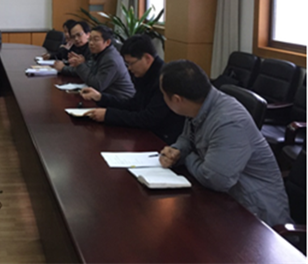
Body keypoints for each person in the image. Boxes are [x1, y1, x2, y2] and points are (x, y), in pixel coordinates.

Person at [158, 60, 291, 227]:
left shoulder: (228, 122)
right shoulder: (199, 104)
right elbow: (187, 138)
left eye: (163, 94)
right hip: (225, 202)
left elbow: (215, 179)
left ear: (177, 99)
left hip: (256, 217)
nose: (162, 98)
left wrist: (186, 156)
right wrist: (176, 150)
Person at [81, 34, 184, 144]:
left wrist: (108, 115)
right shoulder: (145, 74)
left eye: (131, 63)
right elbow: (133, 105)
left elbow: (148, 119)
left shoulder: (164, 79)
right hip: (146, 134)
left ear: (147, 58)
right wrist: (101, 97)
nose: (129, 68)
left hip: (162, 140)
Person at [60, 25, 134, 97]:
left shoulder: (111, 59)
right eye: (90, 39)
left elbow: (97, 85)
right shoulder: (99, 53)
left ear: (107, 42)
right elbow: (91, 73)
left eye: (96, 40)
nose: (91, 43)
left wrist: (80, 65)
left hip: (120, 99)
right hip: (106, 95)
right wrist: (82, 63)